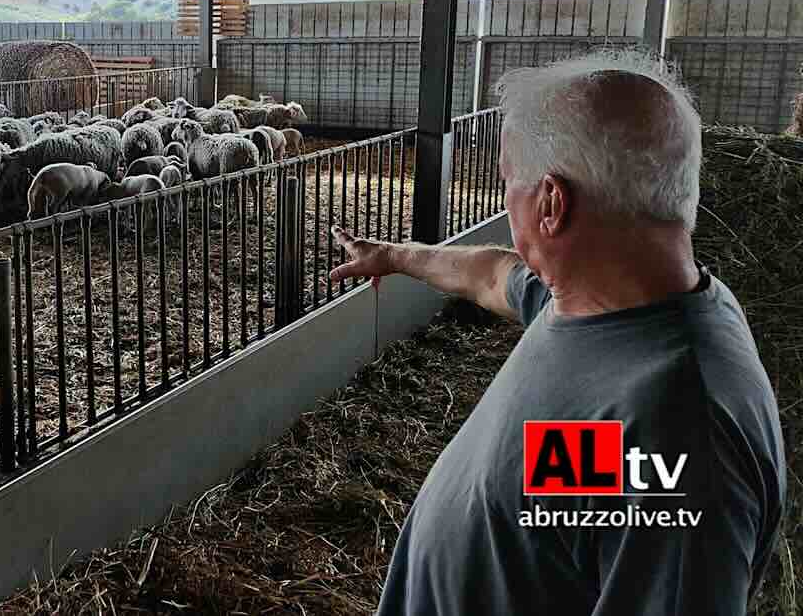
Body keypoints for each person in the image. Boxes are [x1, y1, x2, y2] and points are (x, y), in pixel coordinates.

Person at [330, 52, 785, 615]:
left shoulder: (680, 433)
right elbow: (493, 275)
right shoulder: (600, 300)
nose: (505, 200)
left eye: (506, 182)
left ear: (551, 203)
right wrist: (393, 256)